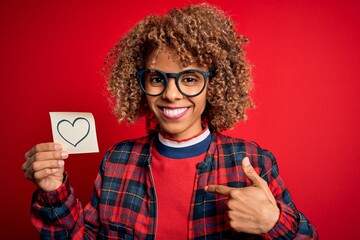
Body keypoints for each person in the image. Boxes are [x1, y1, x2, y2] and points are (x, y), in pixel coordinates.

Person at [22, 3, 318, 239]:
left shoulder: (254, 162)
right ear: (140, 83)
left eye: (189, 78)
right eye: (156, 78)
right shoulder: (117, 161)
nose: (171, 94)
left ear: (213, 85)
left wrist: (274, 222)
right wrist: (53, 192)